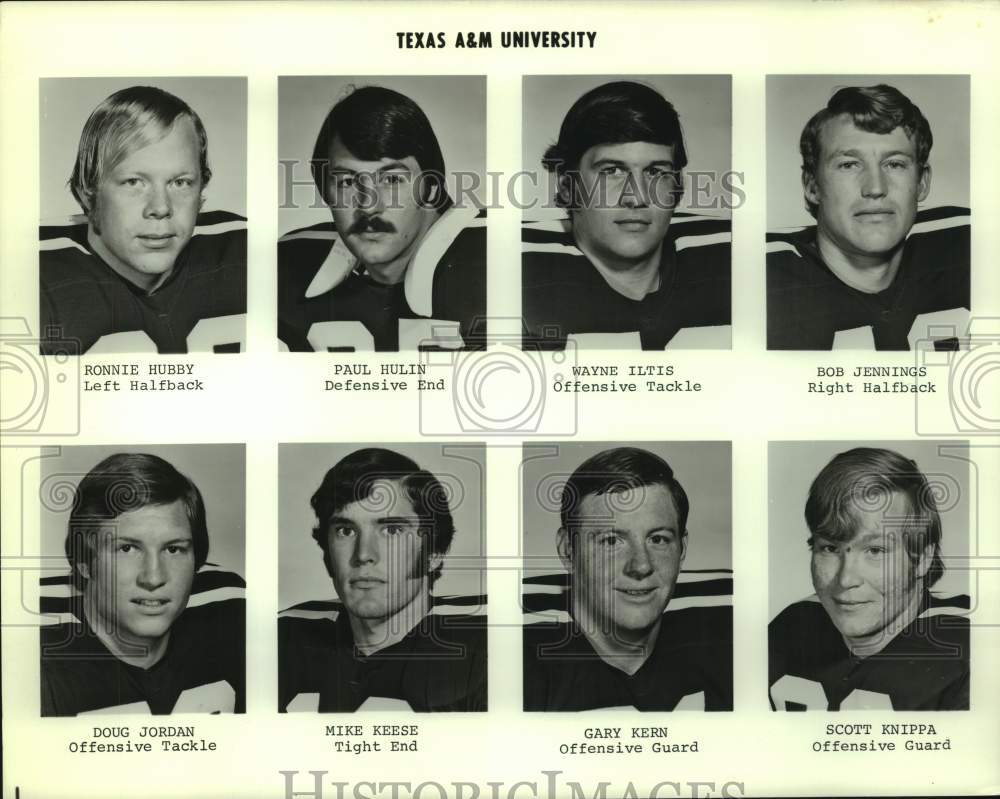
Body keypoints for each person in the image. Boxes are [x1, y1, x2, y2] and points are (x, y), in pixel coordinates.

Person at [522, 80, 731, 350]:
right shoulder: (514, 277)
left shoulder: (734, 264)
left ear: (678, 186)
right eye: (611, 171)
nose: (638, 197)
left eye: (656, 172)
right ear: (567, 184)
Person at [40, 85, 246, 355]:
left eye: (180, 182)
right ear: (88, 194)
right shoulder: (34, 275)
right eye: (134, 182)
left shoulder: (242, 249)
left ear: (201, 192)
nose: (160, 207)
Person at [278, 85, 486, 352]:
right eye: (346, 182)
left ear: (432, 186)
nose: (368, 205)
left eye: (391, 180)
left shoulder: (504, 259)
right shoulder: (284, 264)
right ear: (324, 191)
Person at [523, 447, 732, 711]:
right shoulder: (510, 651)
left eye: (658, 539)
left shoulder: (733, 622)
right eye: (611, 541)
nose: (641, 566)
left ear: (682, 547)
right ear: (568, 550)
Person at [278, 448, 486, 712]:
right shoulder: (284, 636)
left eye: (392, 530)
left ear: (434, 553)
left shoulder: (484, 648)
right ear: (327, 551)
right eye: (346, 530)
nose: (364, 554)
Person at [767, 84, 970, 350]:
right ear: (812, 185)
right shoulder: (762, 276)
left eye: (894, 164)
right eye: (849, 164)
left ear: (922, 182)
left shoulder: (970, 248)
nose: (875, 188)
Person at [40, 453, 245, 716]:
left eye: (173, 549)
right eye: (127, 548)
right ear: (83, 562)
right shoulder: (30, 639)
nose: (153, 577)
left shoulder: (230, 607)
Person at [768, 447, 970, 710]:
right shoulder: (792, 625)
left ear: (921, 558)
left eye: (875, 550)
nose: (845, 579)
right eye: (830, 548)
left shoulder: (972, 648)